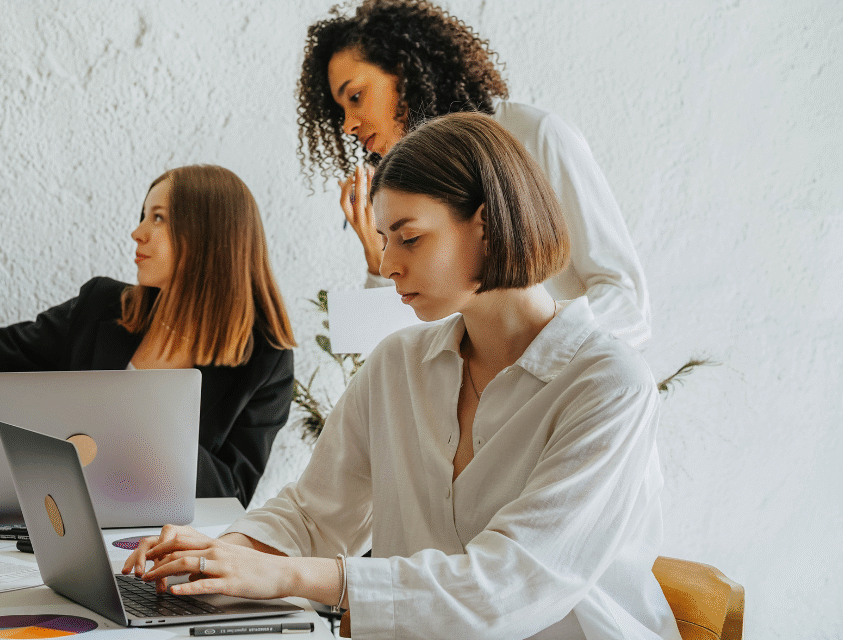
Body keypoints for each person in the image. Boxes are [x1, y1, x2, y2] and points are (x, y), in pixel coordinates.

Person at [121, 113, 679, 640]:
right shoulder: (397, 364)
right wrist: (218, 554)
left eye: (408, 238)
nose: (387, 264)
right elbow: (315, 512)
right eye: (384, 239)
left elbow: (508, 587)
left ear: (486, 223)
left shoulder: (608, 385)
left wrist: (292, 577)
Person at [0, 165, 296, 507]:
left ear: (209, 237)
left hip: (161, 553)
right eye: (144, 214)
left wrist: (143, 420)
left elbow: (231, 497)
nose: (137, 232)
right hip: (62, 527)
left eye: (158, 218)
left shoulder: (265, 360)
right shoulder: (102, 307)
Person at [297, 0, 652, 347]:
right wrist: (379, 259)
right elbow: (395, 349)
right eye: (339, 109)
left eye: (356, 96)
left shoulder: (533, 135)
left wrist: (531, 356)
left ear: (406, 71)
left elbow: (625, 301)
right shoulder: (400, 189)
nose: (347, 125)